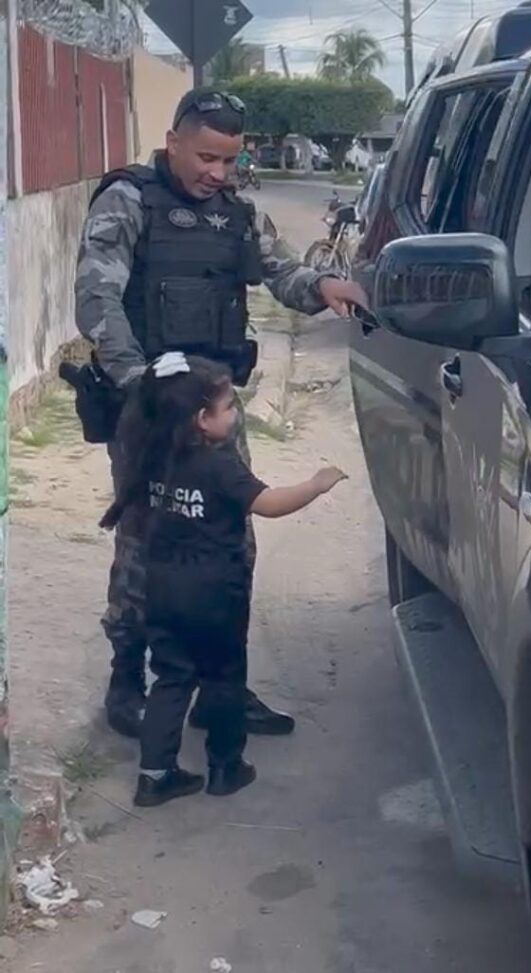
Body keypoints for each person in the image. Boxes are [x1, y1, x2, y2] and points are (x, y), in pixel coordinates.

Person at [75, 87, 367, 740]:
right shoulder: (128, 200)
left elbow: (282, 272)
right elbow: (97, 300)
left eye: (229, 160)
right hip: (149, 414)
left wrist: (323, 285)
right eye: (206, 157)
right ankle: (128, 679)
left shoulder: (237, 212)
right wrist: (142, 385)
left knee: (230, 547)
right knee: (148, 548)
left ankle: (220, 688)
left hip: (215, 414)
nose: (217, 172)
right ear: (173, 142)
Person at [99, 353, 346, 807]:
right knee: (224, 678)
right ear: (201, 419)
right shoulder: (219, 466)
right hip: (214, 593)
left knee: (171, 678)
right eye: (229, 406)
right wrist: (317, 484)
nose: (234, 414)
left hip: (162, 588)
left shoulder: (151, 461)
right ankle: (225, 767)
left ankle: (155, 776)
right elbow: (269, 504)